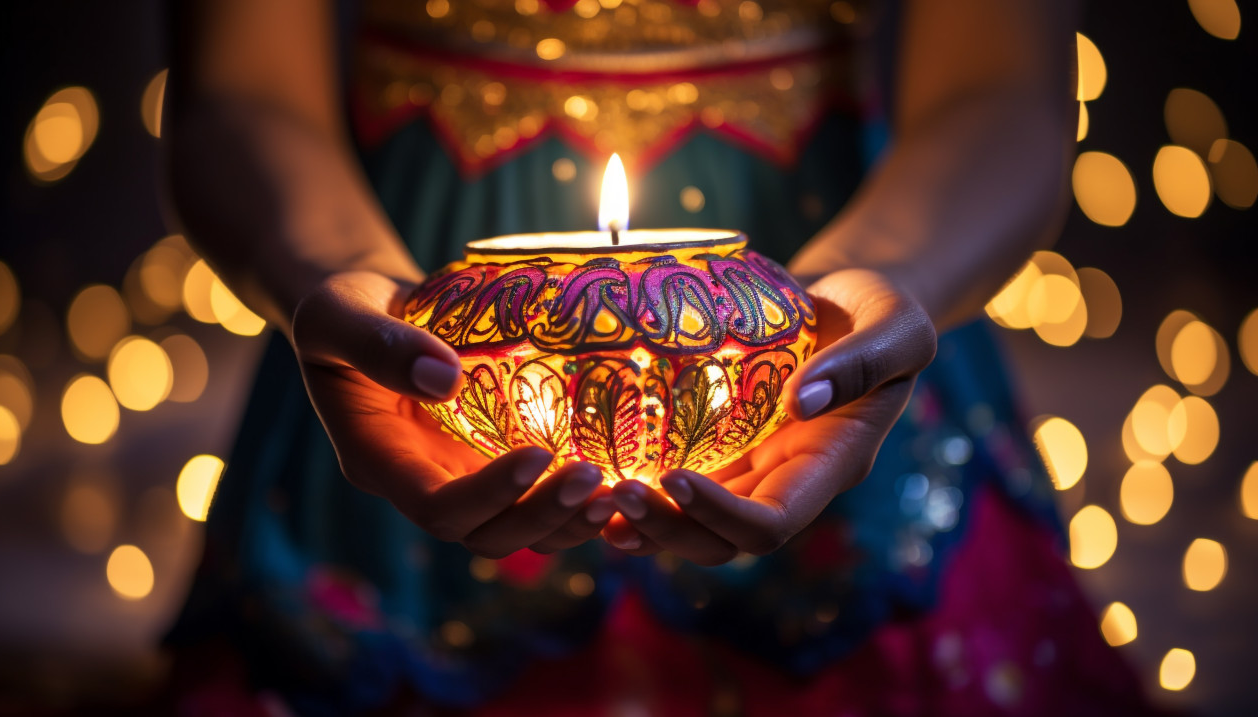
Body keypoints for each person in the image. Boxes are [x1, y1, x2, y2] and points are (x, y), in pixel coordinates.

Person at [164, 0, 1157, 714]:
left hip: (803, 294)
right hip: (422, 311)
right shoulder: (406, 335)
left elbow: (1004, 86)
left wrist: (883, 276)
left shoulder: (805, 332)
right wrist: (333, 273)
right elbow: (237, 86)